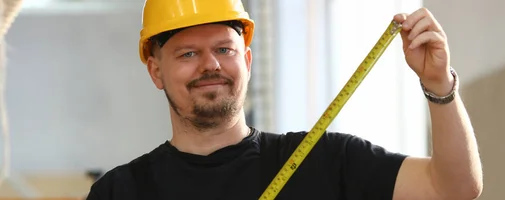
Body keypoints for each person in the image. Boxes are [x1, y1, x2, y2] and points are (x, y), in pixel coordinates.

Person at [86, 0, 483, 199]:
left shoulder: (324, 160)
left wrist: (439, 85)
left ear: (247, 60)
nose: (210, 65)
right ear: (156, 71)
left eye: (224, 49)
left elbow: (453, 189)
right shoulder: (120, 192)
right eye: (188, 53)